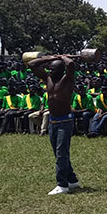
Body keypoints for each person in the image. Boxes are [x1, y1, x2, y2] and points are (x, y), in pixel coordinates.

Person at [28, 55, 81, 195]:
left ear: (60, 70)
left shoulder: (67, 80)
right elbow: (32, 64)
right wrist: (50, 58)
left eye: (53, 69)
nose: (49, 71)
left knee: (61, 154)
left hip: (65, 121)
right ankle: (72, 180)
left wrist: (62, 57)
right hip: (53, 120)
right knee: (58, 153)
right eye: (49, 69)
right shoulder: (48, 79)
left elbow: (71, 65)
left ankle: (62, 184)